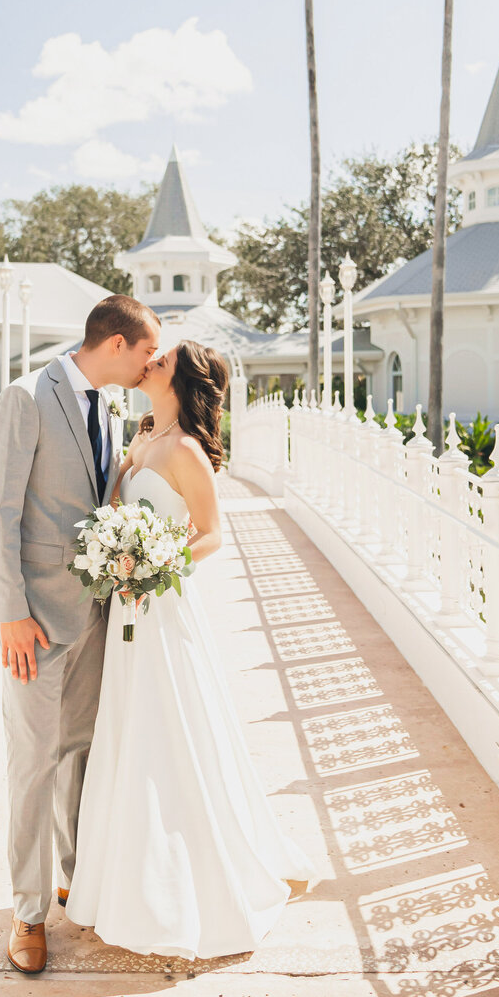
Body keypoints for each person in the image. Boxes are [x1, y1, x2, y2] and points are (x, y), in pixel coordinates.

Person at [65, 340, 312, 960]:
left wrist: (151, 562)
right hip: (124, 604)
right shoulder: (144, 431)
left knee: (166, 733)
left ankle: (183, 884)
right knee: (124, 732)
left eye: (162, 359)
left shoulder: (185, 451)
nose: (149, 362)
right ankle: (120, 877)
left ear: (181, 378)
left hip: (160, 608)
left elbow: (212, 535)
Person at [0, 293, 161, 975]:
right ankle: (27, 914)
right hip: (34, 621)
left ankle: (76, 883)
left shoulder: (109, 411)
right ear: (116, 344)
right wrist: (9, 612)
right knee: (32, 764)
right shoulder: (25, 400)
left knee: (80, 753)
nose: (151, 364)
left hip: (96, 617)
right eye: (146, 352)